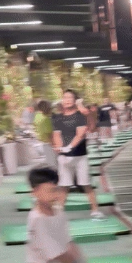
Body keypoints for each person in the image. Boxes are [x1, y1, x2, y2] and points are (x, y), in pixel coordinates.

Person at [52, 89, 104, 220]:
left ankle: (95, 210)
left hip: (80, 156)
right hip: (64, 158)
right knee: (64, 185)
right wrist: (59, 147)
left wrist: (68, 147)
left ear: (75, 101)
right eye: (65, 97)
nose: (67, 100)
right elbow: (56, 135)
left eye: (70, 98)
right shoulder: (57, 117)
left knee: (86, 184)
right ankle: (58, 214)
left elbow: (80, 134)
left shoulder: (80, 116)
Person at [33, 100, 56, 168]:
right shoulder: (46, 119)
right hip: (49, 144)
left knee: (50, 164)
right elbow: (50, 135)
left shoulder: (37, 116)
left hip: (41, 143)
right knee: (54, 166)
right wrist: (55, 146)